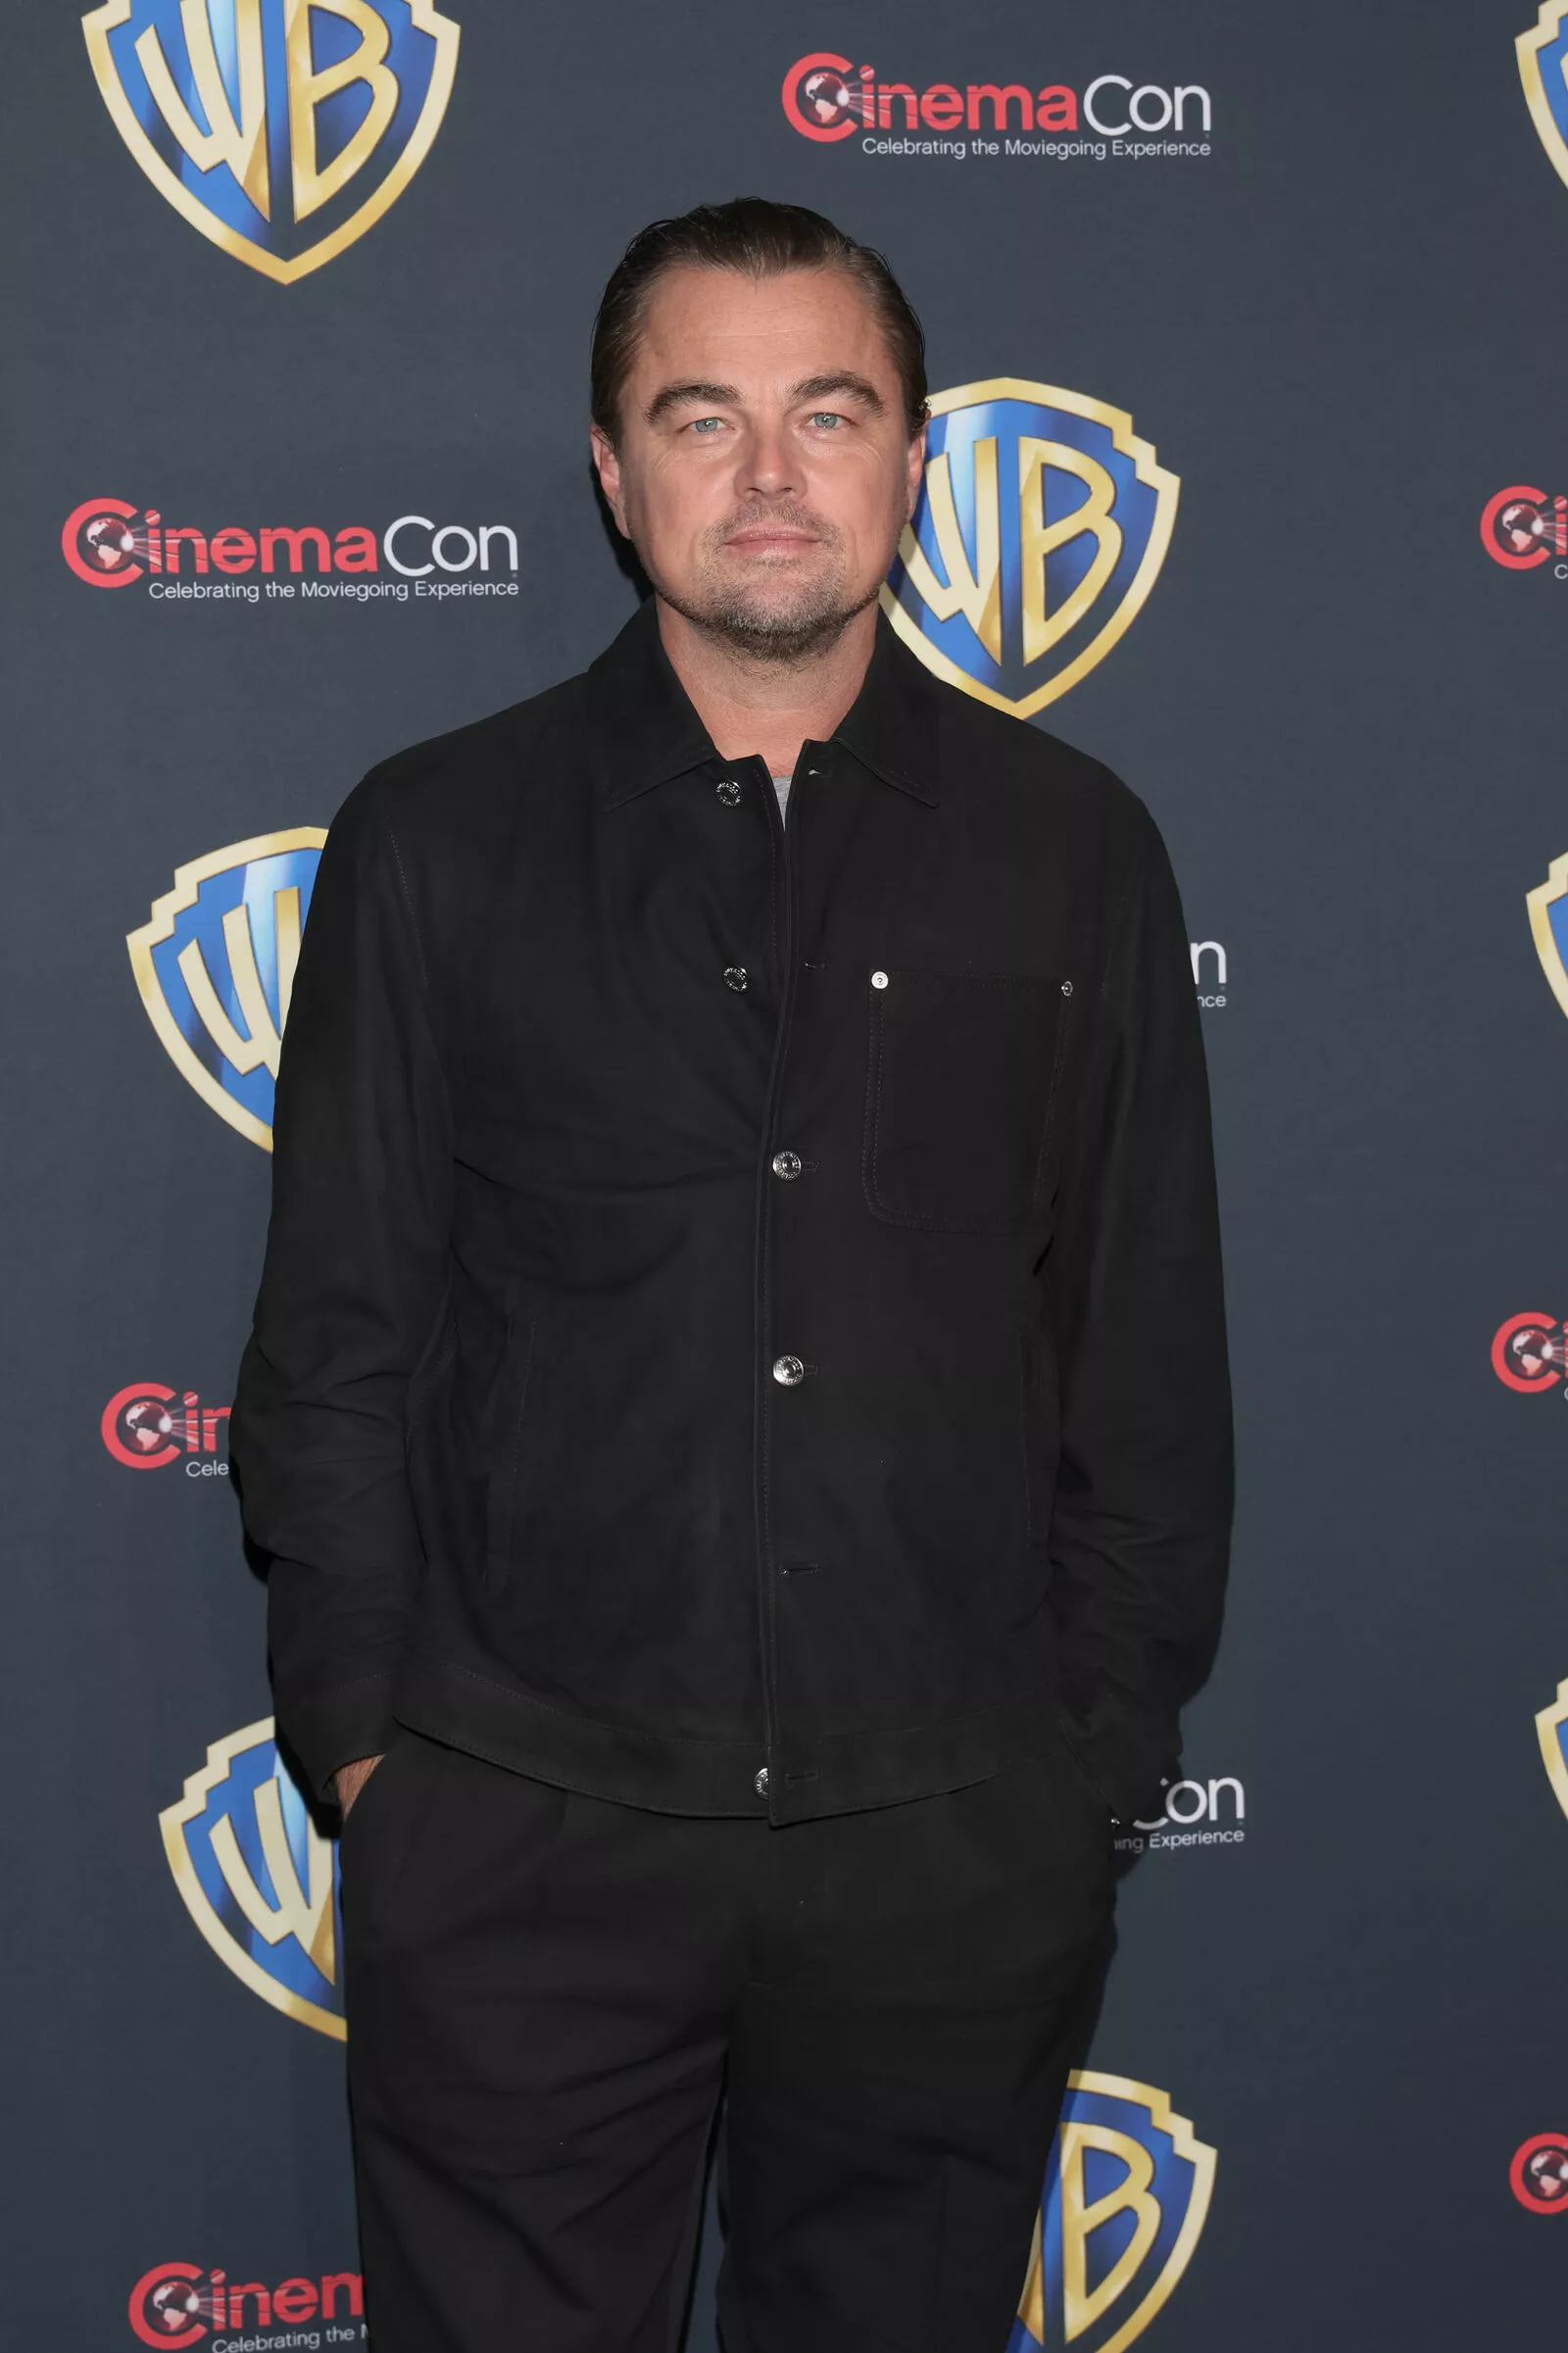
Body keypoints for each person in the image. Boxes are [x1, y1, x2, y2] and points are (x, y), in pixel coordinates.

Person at [232, 196, 1232, 2353]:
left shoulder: (1075, 847)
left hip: (953, 1848)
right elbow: (336, 1340)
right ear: (615, 472)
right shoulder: (437, 837)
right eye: (703, 419)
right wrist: (374, 1761)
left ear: (912, 460)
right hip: (516, 1831)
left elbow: (1140, 1347)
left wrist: (1086, 1767)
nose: (770, 475)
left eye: (827, 413)